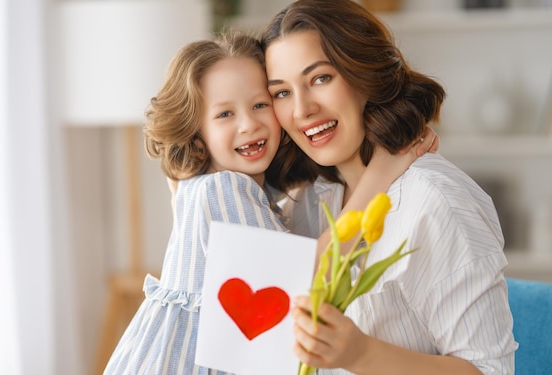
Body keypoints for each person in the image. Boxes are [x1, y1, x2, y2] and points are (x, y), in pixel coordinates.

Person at [103, 29, 438, 375]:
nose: (249, 124)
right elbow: (300, 276)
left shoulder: (201, 186)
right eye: (224, 114)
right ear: (196, 130)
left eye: (260, 104)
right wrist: (382, 172)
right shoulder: (225, 188)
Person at [260, 1, 517, 374]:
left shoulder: (434, 200)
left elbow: (491, 371)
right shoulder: (310, 199)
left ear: (364, 72)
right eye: (281, 92)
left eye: (320, 78)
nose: (301, 110)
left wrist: (363, 355)